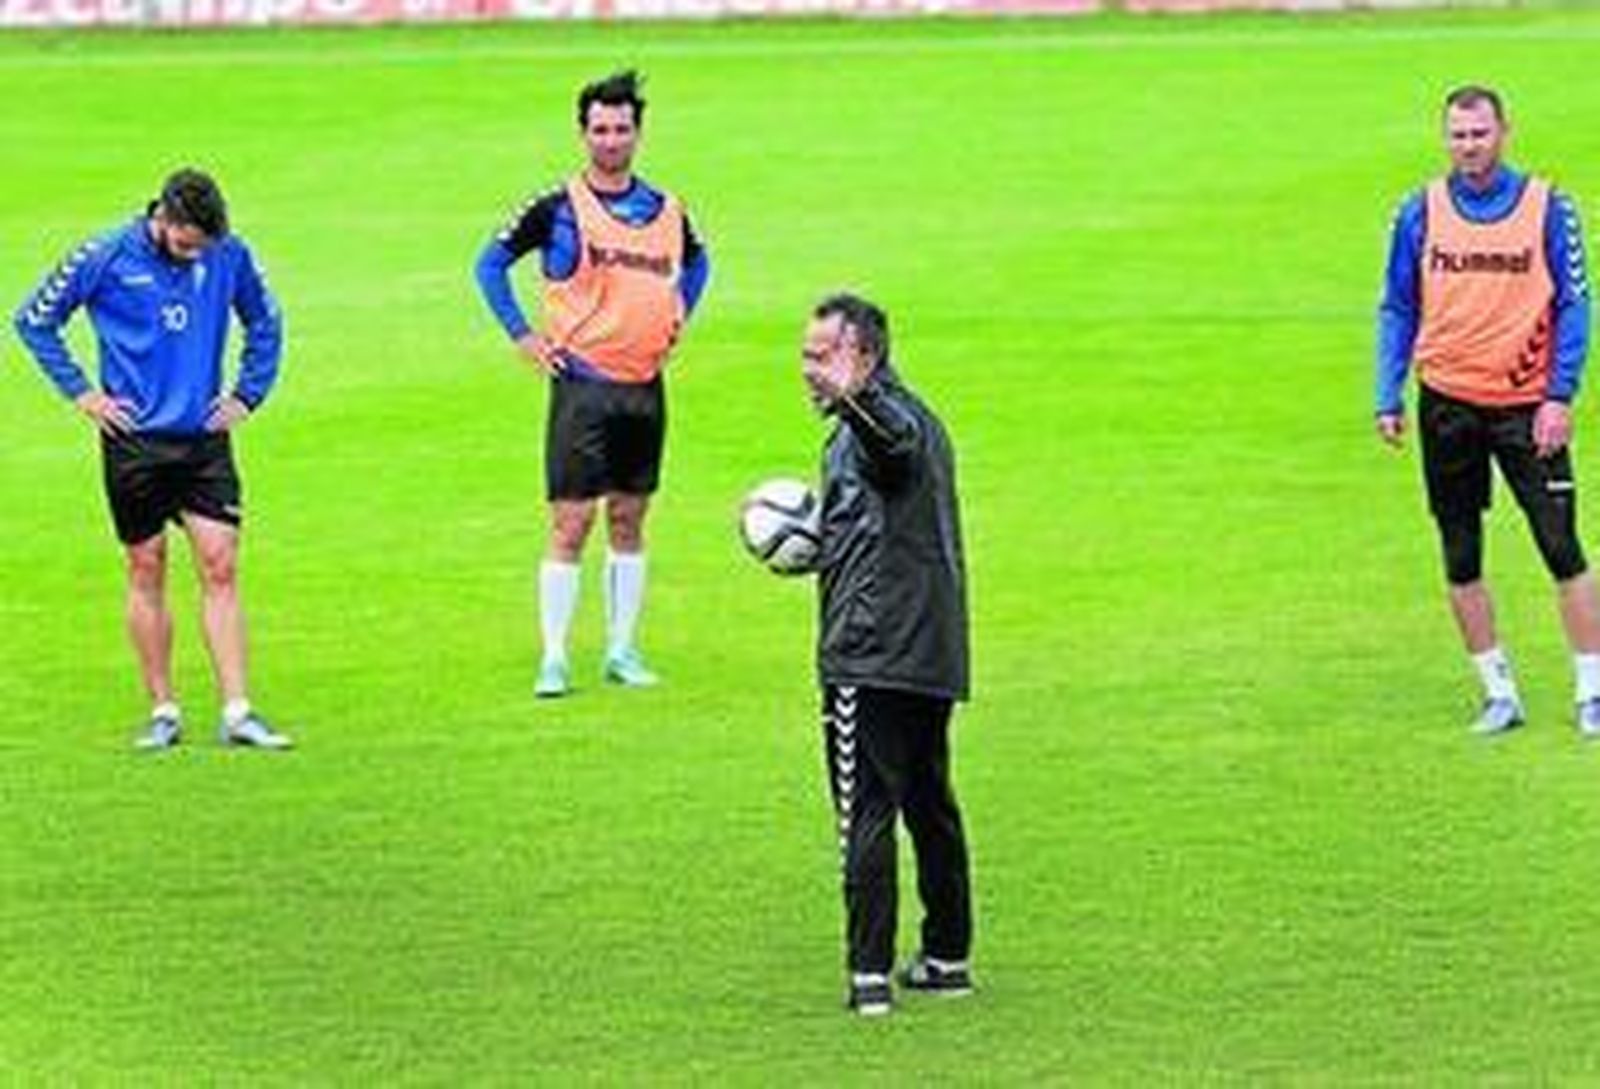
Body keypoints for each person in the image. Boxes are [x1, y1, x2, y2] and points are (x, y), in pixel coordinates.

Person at [14, 168, 291, 750]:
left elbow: (266, 320)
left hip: (202, 438)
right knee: (147, 566)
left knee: (220, 564)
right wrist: (82, 393)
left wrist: (247, 392)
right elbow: (34, 318)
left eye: (204, 247)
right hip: (134, 442)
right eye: (188, 244)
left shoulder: (229, 254)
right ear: (162, 220)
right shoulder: (106, 254)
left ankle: (238, 710)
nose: (197, 257)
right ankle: (163, 708)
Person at [474, 69, 711, 699]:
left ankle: (621, 650)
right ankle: (553, 656)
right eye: (600, 129)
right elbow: (489, 263)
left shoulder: (669, 209)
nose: (611, 140)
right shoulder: (556, 207)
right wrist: (523, 336)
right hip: (583, 389)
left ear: (639, 133)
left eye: (622, 128)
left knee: (631, 519)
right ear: (583, 134)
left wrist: (681, 308)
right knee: (571, 524)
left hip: (645, 386)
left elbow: (700, 259)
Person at [1376, 85, 1600, 737]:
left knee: (1561, 546)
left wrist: (1559, 394)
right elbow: (1397, 305)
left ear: (1504, 132)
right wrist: (1387, 392)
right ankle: (1497, 691)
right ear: (1445, 137)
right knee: (1460, 551)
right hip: (1447, 401)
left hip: (1527, 407)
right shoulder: (1419, 211)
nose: (1468, 145)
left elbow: (1575, 305)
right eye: (1457, 134)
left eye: (1479, 133)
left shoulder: (1548, 208)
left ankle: (1592, 689)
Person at [800, 293, 974, 1017]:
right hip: (930, 649)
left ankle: (868, 974)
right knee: (930, 800)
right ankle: (947, 956)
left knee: (865, 808)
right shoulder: (925, 418)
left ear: (864, 356)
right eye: (805, 354)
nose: (808, 369)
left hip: (870, 654)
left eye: (823, 355)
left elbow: (890, 445)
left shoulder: (884, 420)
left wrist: (852, 403)